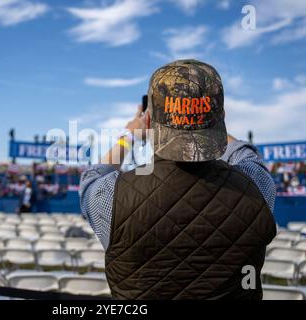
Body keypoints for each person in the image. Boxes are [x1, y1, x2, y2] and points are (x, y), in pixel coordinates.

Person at [79, 59, 277, 300]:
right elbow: (244, 153)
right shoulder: (256, 185)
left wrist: (129, 135)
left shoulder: (111, 195)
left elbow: (93, 176)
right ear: (222, 118)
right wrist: (208, 124)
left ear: (150, 122)